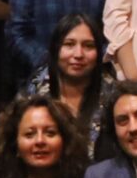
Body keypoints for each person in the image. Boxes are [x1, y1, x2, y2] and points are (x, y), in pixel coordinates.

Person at [23, 12, 114, 159]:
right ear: (56, 49)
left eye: (88, 46)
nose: (78, 54)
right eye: (69, 44)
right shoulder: (36, 88)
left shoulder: (113, 96)